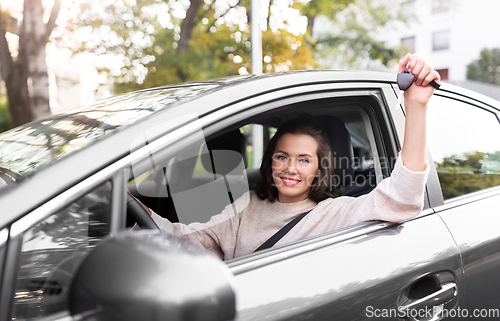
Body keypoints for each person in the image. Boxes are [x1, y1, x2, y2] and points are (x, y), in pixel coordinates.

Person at [146, 54, 440, 260]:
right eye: (282, 156)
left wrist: (416, 105)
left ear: (318, 169)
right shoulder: (248, 204)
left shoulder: (333, 212)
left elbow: (403, 198)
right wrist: (123, 203)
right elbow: (185, 237)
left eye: (303, 160)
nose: (289, 168)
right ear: (270, 160)